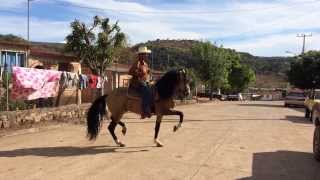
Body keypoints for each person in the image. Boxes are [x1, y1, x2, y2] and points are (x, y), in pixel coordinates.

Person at [129, 46, 152, 119]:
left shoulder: (145, 64)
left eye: (146, 54)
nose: (146, 55)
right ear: (140, 55)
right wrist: (139, 74)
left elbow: (147, 74)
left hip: (145, 82)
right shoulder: (137, 63)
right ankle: (144, 111)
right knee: (146, 91)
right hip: (137, 83)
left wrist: (149, 76)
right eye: (144, 54)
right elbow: (130, 72)